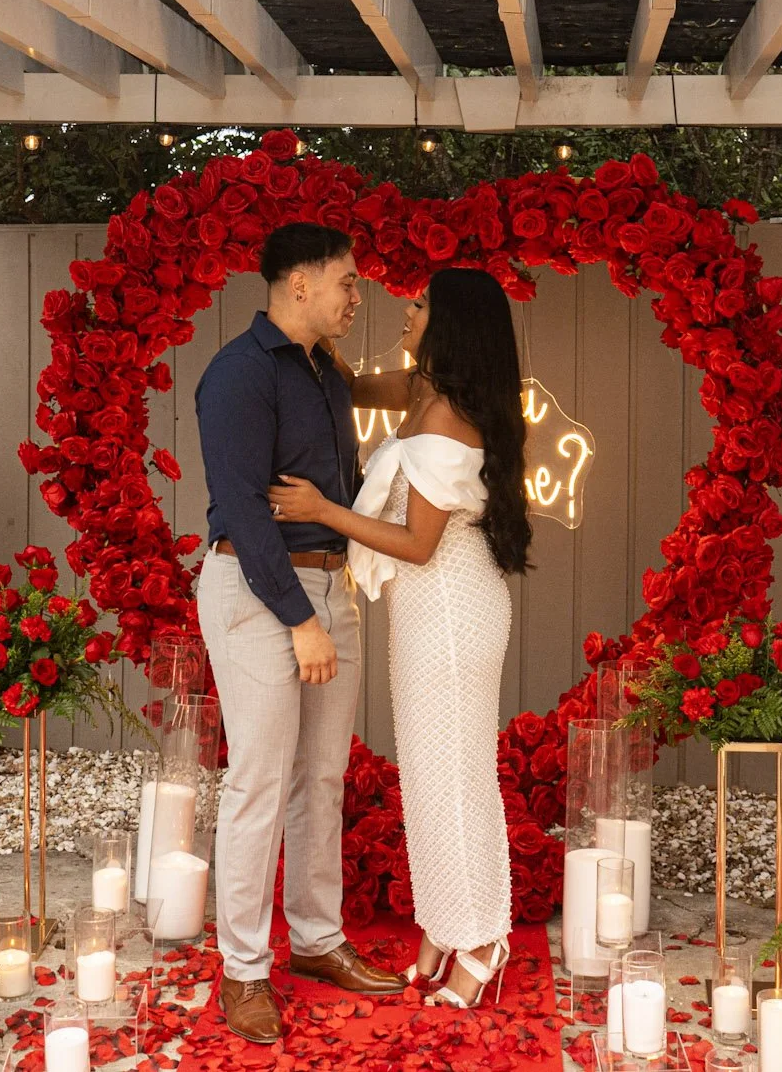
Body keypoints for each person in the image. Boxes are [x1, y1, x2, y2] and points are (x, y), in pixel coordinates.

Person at [268, 267, 532, 1009]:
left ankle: (483, 936)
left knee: (454, 775)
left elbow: (418, 544)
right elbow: (351, 385)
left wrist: (322, 508)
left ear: (450, 323)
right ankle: (447, 922)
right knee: (428, 774)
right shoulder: (424, 391)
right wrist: (320, 318)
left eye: (418, 305)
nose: (403, 313)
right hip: (426, 609)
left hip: (450, 605)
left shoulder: (448, 418)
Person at [193, 222, 406, 1046]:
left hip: (329, 581)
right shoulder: (239, 373)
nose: (358, 295)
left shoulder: (326, 375)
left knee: (321, 776)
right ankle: (243, 968)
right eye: (347, 281)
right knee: (258, 778)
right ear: (300, 283)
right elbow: (245, 512)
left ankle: (316, 938)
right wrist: (301, 618)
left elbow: (337, 488)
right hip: (260, 587)